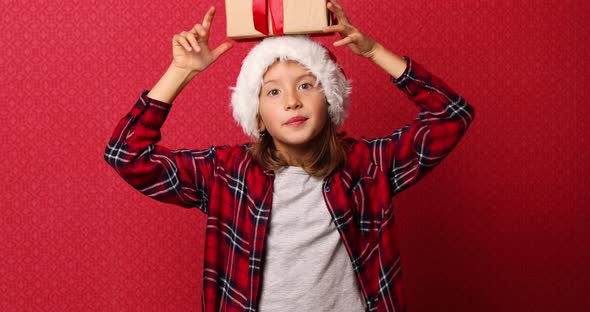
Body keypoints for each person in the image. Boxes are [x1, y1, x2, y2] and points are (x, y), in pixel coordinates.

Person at [104, 0, 475, 311]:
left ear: (330, 98)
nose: (293, 100)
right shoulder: (226, 175)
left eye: (305, 84)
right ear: (258, 115)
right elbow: (126, 154)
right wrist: (180, 71)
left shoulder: (367, 167)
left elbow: (451, 115)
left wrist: (373, 51)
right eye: (273, 92)